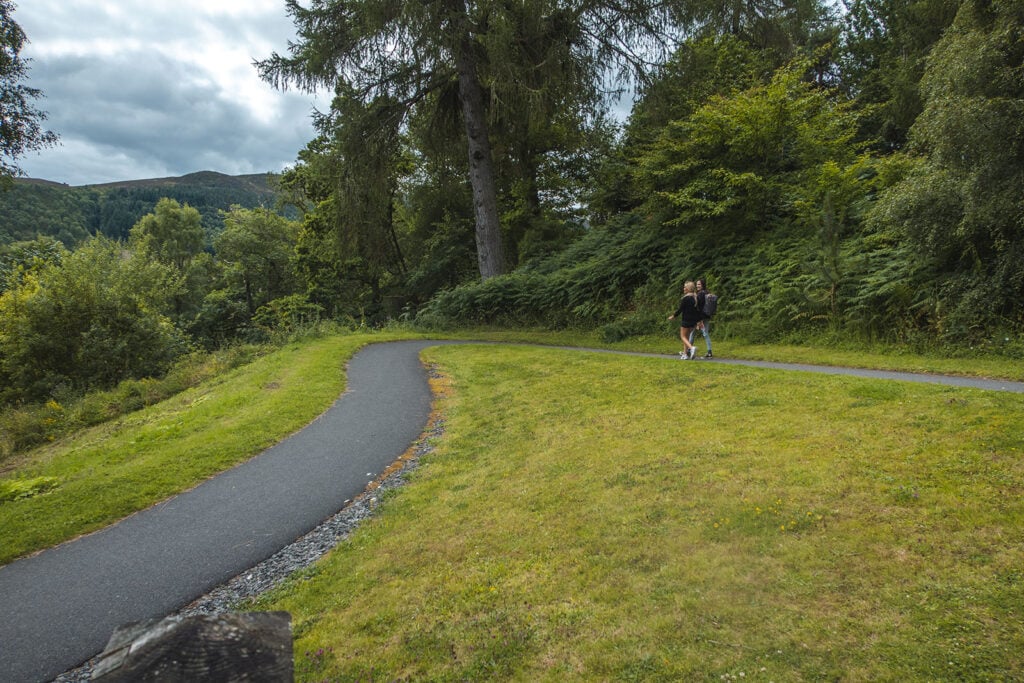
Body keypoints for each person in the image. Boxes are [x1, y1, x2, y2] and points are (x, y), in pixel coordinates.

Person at [667, 281, 701, 359]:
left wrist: (673, 316)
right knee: (687, 337)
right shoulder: (695, 297)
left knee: (682, 336)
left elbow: (680, 309)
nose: (684, 288)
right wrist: (699, 321)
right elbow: (698, 311)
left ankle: (691, 348)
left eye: (685, 287)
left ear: (688, 289)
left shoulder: (686, 298)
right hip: (693, 321)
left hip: (686, 320)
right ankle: (685, 354)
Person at [689, 278, 713, 359]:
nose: (697, 286)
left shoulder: (700, 294)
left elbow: (698, 306)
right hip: (706, 316)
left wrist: (699, 320)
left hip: (700, 317)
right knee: (705, 333)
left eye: (699, 284)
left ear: (702, 285)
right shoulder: (707, 292)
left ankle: (689, 350)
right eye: (697, 284)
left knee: (692, 333)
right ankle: (709, 352)